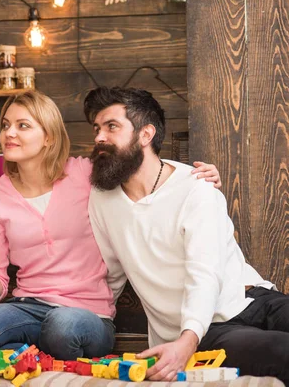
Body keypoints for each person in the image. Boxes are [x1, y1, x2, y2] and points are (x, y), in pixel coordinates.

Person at [0, 90, 220, 361]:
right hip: (27, 307)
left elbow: (138, 167)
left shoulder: (84, 173)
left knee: (63, 328)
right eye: (5, 125)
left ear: (49, 137)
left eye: (23, 126)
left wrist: (191, 176)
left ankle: (26, 356)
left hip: (88, 313)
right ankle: (33, 358)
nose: (9, 133)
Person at [85, 86, 289, 383]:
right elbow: (111, 274)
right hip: (207, 330)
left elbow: (203, 271)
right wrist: (187, 340)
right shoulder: (101, 198)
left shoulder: (195, 188)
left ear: (146, 134)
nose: (99, 137)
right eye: (97, 128)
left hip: (253, 297)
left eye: (111, 126)